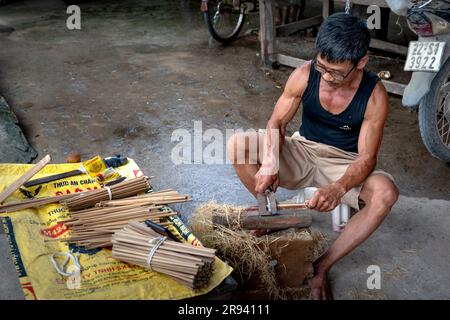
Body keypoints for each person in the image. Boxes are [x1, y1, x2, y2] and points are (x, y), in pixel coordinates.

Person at [227, 13, 399, 300]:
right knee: (238, 144)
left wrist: (338, 188)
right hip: (303, 149)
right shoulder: (305, 74)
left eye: (337, 72)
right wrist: (270, 160)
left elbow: (367, 159)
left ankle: (321, 267)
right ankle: (273, 216)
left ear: (361, 62)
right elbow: (276, 123)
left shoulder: (374, 95)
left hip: (345, 162)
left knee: (385, 194)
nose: (328, 77)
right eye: (323, 67)